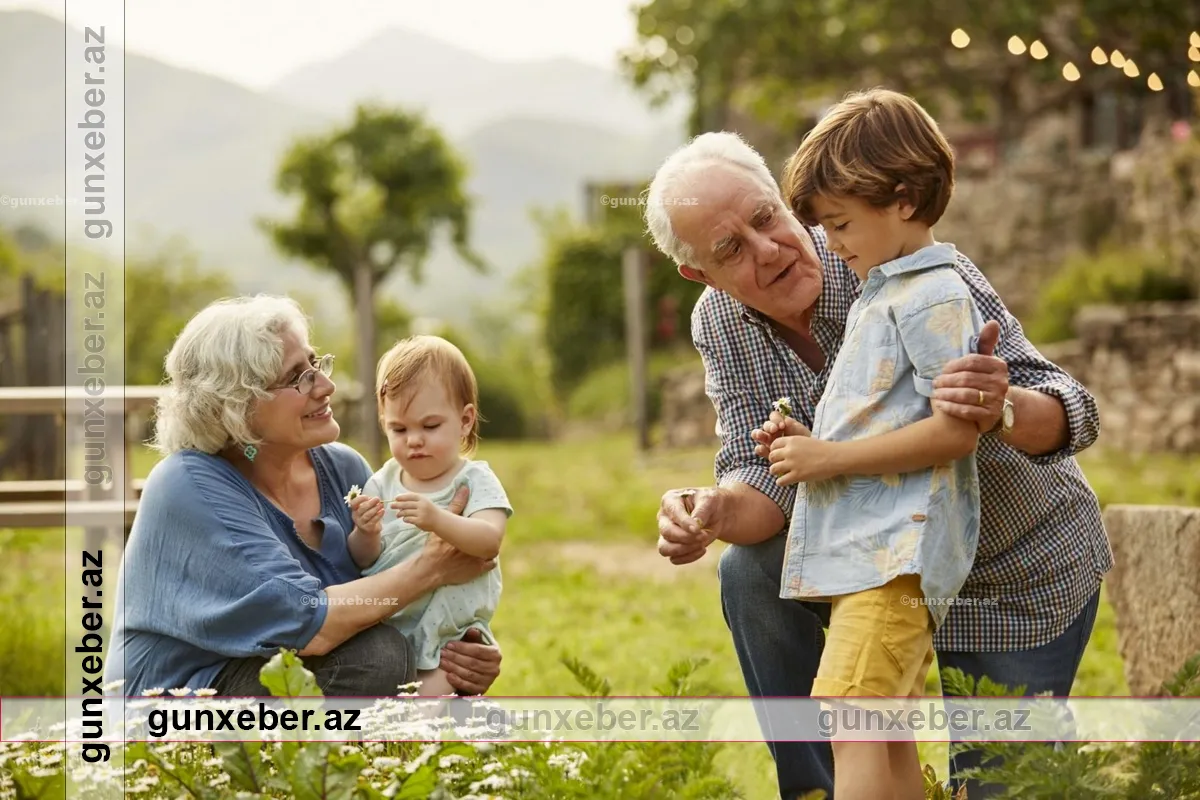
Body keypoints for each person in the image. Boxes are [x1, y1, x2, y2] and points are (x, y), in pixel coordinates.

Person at [643, 121, 1113, 797]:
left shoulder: (894, 254)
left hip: (1009, 568)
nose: (769, 249)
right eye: (730, 248)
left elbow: (1070, 407)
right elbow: (763, 479)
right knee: (749, 573)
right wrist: (713, 510)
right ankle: (819, 788)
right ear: (699, 272)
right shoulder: (718, 322)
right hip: (879, 569)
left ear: (781, 195)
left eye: (766, 218)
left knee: (1006, 787)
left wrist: (999, 403)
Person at [762, 88, 987, 800]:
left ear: (904, 198)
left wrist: (828, 460)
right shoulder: (881, 294)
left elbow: (956, 430)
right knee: (881, 730)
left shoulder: (935, 295)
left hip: (896, 557)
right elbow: (884, 422)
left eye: (841, 222)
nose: (831, 244)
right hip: (869, 555)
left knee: (853, 720)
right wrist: (811, 442)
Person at [106, 296, 503, 698]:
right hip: (178, 702)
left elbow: (386, 591)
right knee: (376, 657)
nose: (326, 386)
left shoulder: (344, 469)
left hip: (283, 673)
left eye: (316, 364)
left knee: (391, 659)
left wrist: (461, 651)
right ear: (236, 406)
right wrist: (431, 569)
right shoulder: (188, 485)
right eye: (298, 377)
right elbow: (309, 624)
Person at [348, 335, 512, 697]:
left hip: (449, 632)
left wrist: (438, 519)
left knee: (421, 707)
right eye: (399, 429)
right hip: (392, 622)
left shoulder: (473, 480)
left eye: (430, 426)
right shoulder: (383, 480)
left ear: (465, 420)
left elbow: (489, 541)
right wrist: (366, 531)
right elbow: (364, 559)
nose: (414, 440)